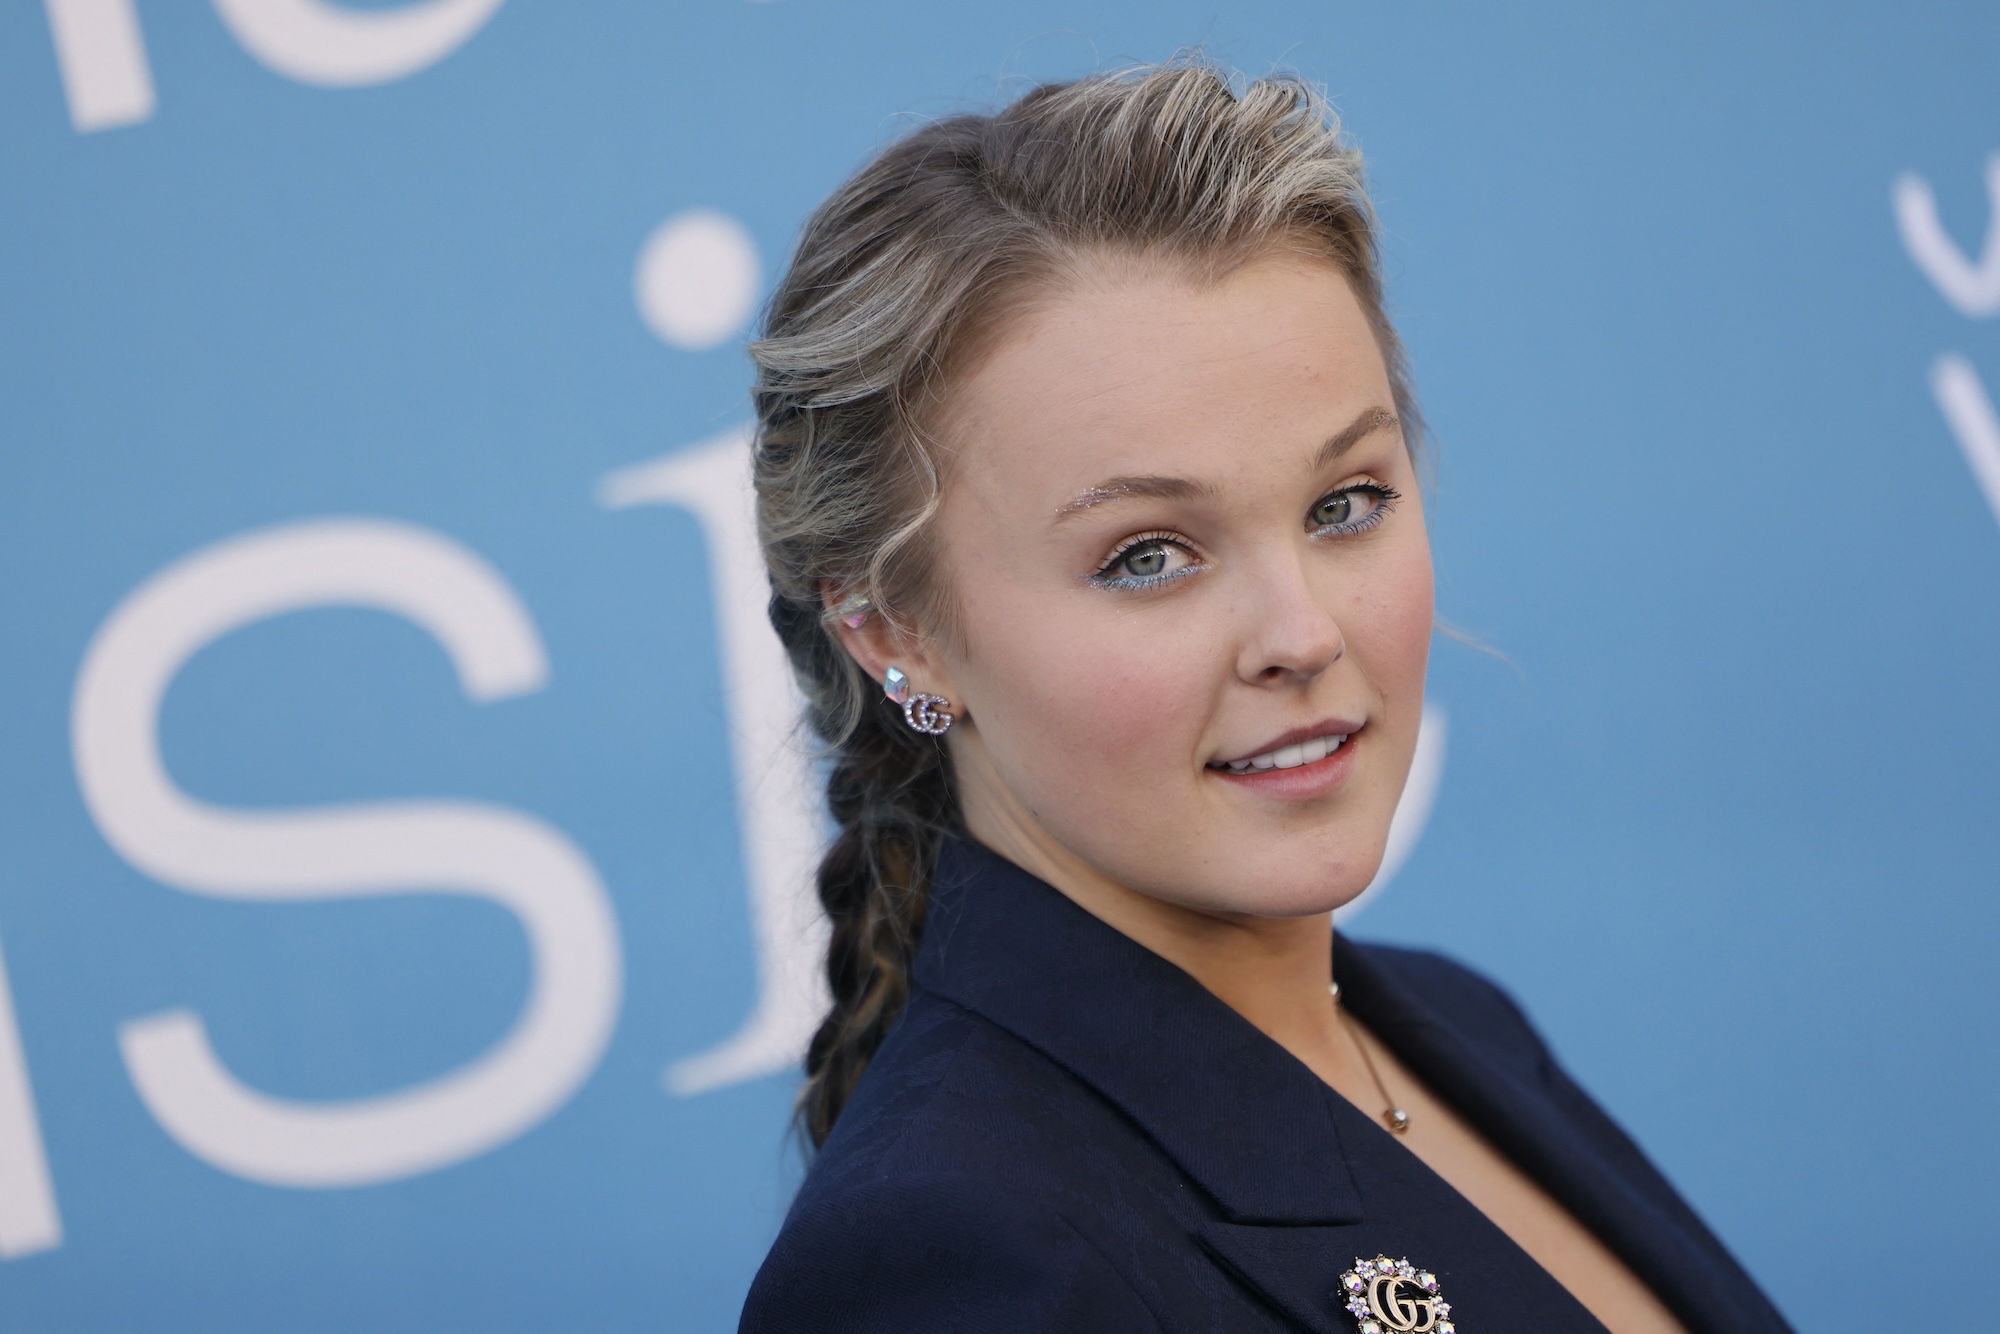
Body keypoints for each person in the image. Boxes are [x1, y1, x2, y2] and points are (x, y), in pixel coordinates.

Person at [738, 62, 1789, 1334]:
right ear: (894, 633)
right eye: (1146, 556)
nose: (1302, 633)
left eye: (1344, 503)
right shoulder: (958, 1254)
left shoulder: (1460, 1024)